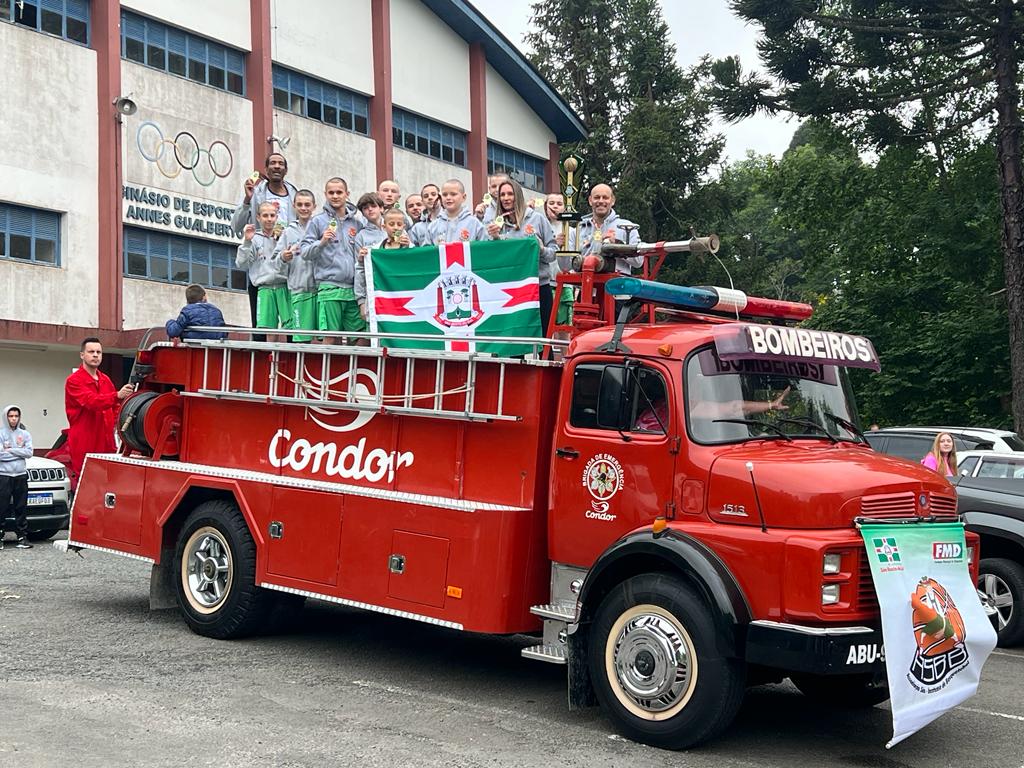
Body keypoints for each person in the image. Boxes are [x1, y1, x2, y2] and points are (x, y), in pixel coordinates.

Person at [231, 153, 298, 330]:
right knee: (261, 326)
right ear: (266, 169)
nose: (277, 166)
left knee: (291, 326)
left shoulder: (294, 195)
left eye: (281, 163)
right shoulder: (255, 193)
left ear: (286, 169)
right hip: (261, 268)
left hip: (287, 271)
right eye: (273, 163)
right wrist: (247, 199)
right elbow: (236, 226)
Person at [300, 177, 365, 342]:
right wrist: (321, 242)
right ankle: (327, 369)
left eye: (339, 192)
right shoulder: (317, 221)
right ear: (325, 194)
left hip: (353, 290)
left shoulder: (356, 224)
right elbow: (305, 252)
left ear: (347, 194)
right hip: (330, 288)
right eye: (331, 192)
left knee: (361, 338)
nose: (335, 196)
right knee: (331, 338)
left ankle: (352, 369)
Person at [486, 178, 556, 333]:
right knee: (514, 338)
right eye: (502, 194)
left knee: (543, 338)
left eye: (510, 194)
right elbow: (492, 259)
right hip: (510, 288)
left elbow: (553, 254)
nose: (505, 198)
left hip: (539, 287)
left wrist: (542, 249)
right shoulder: (496, 224)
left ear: (518, 195)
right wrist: (495, 239)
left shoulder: (537, 219)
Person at [65, 338, 134, 484]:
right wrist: (117, 395)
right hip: (85, 441)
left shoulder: (105, 380)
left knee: (107, 482)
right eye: (91, 352)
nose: (95, 355)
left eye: (98, 352)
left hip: (106, 440)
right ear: (82, 355)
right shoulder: (74, 381)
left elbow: (115, 408)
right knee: (86, 482)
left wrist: (114, 423)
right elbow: (91, 401)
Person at [560, 183, 642, 274]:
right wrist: (561, 247)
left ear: (613, 201)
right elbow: (565, 267)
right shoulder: (577, 231)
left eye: (605, 197)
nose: (601, 201)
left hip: (616, 286)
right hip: (584, 284)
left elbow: (638, 261)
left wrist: (617, 246)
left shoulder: (627, 227)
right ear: (590, 200)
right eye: (597, 197)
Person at [236, 202, 291, 331]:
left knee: (290, 326)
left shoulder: (285, 236)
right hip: (264, 287)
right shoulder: (254, 238)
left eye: (272, 215)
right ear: (258, 217)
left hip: (285, 286)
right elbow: (241, 263)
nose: (269, 219)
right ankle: (270, 352)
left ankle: (290, 351)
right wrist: (247, 241)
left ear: (277, 217)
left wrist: (282, 241)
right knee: (266, 328)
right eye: (265, 215)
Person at [356, 208, 413, 323]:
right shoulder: (374, 251)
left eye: (399, 224)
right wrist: (361, 302)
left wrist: (409, 250)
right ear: (384, 226)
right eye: (391, 224)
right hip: (381, 304)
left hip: (405, 302)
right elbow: (361, 274)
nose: (396, 227)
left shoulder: (411, 249)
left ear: (404, 227)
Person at [275, 189, 318, 342]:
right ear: (294, 206)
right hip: (299, 290)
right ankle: (301, 367)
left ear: (314, 206)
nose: (304, 208)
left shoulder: (321, 227)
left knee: (325, 338)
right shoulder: (288, 232)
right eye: (300, 204)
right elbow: (275, 261)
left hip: (321, 290)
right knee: (301, 340)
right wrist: (283, 257)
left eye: (307, 204)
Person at [0, 405, 34, 549]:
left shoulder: (25, 434)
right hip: (4, 475)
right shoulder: (1, 434)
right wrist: (19, 452)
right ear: (5, 417)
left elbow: (29, 453)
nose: (14, 419)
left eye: (16, 416)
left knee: (21, 506)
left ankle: (22, 536)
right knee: (2, 507)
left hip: (20, 475)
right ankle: (0, 536)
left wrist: (11, 450)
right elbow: (1, 455)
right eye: (11, 416)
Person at [544, 193, 575, 331]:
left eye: (559, 203)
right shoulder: (541, 227)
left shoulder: (572, 230)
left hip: (565, 283)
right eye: (551, 203)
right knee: (546, 324)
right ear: (545, 206)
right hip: (546, 281)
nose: (555, 206)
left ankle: (564, 353)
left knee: (564, 327)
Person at [425, 179, 489, 244]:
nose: (448, 198)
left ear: (464, 197)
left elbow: (484, 249)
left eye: (453, 194)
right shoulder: (433, 226)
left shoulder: (475, 224)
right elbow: (427, 252)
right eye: (444, 195)